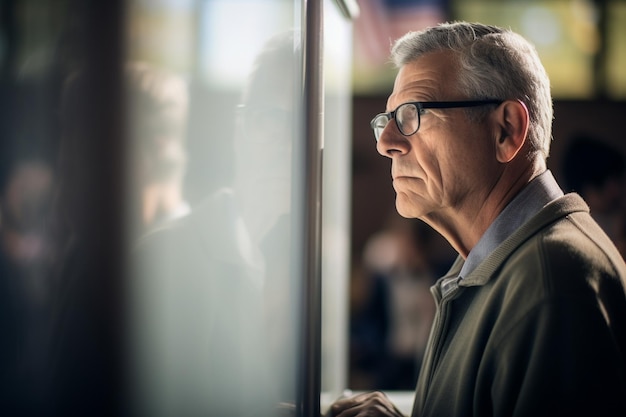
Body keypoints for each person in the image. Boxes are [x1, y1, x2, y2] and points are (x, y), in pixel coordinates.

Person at [328, 21, 626, 417]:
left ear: (507, 129)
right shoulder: (499, 263)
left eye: (412, 114)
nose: (386, 143)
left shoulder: (551, 284)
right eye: (387, 121)